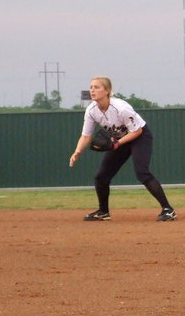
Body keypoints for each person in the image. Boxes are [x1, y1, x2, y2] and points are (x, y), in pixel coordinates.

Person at [69, 76, 177, 221]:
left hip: (139, 136)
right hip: (120, 140)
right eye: (91, 87)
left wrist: (118, 143)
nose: (92, 90)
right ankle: (103, 211)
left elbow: (137, 131)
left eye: (97, 87)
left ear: (107, 91)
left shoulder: (121, 108)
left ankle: (168, 209)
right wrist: (77, 151)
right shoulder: (91, 110)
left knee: (142, 173)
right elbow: (86, 136)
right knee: (101, 177)